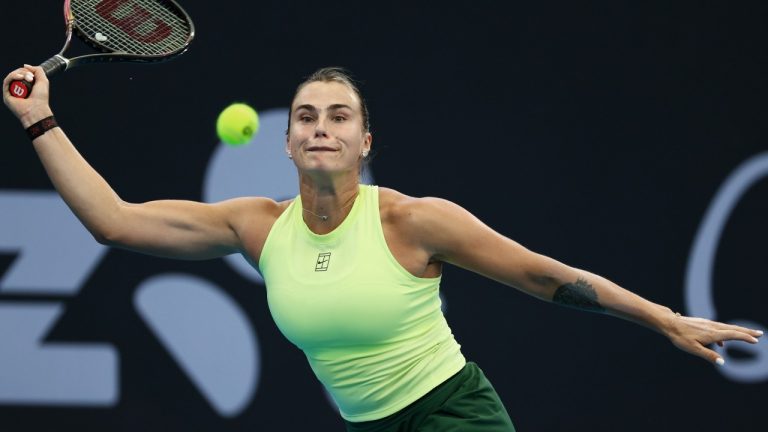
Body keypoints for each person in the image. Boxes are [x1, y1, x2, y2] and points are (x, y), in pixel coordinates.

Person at [3, 65, 763, 432]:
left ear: (365, 141)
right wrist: (39, 118)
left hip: (454, 417)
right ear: (287, 141)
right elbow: (113, 221)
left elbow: (546, 276)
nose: (321, 127)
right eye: (306, 117)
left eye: (339, 116)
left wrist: (664, 318)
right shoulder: (255, 227)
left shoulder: (413, 221)